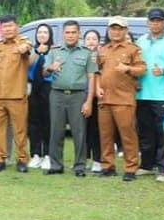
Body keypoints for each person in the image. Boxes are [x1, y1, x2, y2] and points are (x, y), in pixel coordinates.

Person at [42, 20, 97, 177]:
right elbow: (44, 73)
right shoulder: (55, 51)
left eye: (73, 32)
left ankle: (79, 166)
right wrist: (50, 67)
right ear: (63, 34)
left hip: (78, 96)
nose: (70, 35)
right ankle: (56, 165)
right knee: (56, 131)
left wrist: (88, 101)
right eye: (67, 32)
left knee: (79, 133)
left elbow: (92, 77)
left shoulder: (87, 53)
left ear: (79, 34)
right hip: (57, 95)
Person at [96, 16, 147, 181]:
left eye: (119, 29)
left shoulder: (133, 49)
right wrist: (97, 87)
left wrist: (128, 68)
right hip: (105, 99)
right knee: (105, 135)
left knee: (128, 135)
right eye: (113, 28)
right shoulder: (103, 50)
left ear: (126, 31)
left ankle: (131, 168)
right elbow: (97, 72)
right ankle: (107, 166)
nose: (116, 32)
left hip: (124, 99)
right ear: (109, 30)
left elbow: (142, 69)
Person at [135, 8, 164, 182]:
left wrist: (163, 70)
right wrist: (135, 79)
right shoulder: (141, 41)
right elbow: (136, 64)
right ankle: (147, 165)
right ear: (148, 23)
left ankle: (163, 168)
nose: (155, 23)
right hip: (142, 94)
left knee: (162, 133)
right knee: (145, 132)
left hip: (161, 94)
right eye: (152, 20)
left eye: (158, 20)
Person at [0, 14, 32, 173]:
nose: (8, 29)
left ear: (17, 26)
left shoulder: (24, 42)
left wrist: (23, 48)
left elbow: (26, 50)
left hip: (16, 95)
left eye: (11, 26)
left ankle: (22, 159)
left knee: (19, 129)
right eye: (5, 27)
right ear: (1, 29)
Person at [27, 23, 54, 169]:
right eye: (39, 32)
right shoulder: (31, 50)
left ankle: (48, 154)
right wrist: (37, 52)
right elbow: (25, 65)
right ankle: (35, 154)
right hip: (33, 88)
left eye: (45, 32)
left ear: (50, 35)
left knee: (47, 122)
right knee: (33, 122)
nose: (42, 35)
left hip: (48, 87)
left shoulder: (54, 50)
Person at [82, 28, 103, 173]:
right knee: (82, 129)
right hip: (80, 95)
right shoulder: (80, 55)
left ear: (98, 42)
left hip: (96, 97)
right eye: (88, 38)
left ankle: (97, 160)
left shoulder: (101, 56)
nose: (91, 41)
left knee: (95, 129)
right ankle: (83, 159)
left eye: (94, 39)